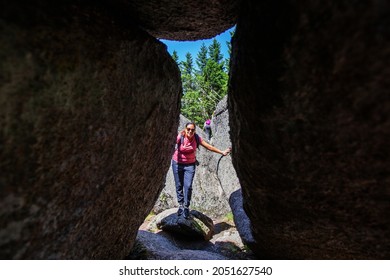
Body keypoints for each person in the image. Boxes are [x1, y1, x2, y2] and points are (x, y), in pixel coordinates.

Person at [172, 122, 231, 219]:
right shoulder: (180, 137)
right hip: (177, 163)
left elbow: (209, 147)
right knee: (179, 185)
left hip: (190, 165)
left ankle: (186, 206)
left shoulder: (196, 138)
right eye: (188, 129)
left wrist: (222, 152)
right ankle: (181, 205)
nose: (190, 131)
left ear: (195, 130)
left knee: (188, 186)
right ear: (185, 129)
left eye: (192, 129)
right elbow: (168, 143)